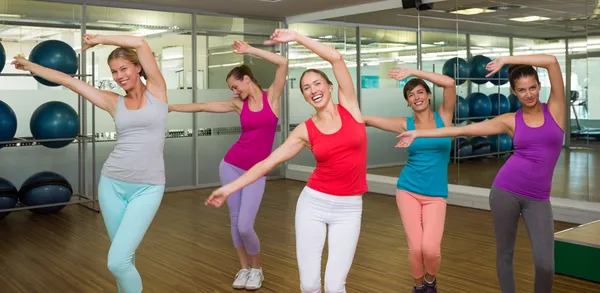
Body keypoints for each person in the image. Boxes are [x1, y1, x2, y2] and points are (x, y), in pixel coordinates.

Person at [205, 28, 367, 293]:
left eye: (317, 83)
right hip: (313, 204)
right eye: (306, 87)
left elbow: (336, 58)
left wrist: (298, 37)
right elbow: (266, 163)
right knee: (310, 284)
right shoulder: (305, 130)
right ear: (304, 96)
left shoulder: (350, 108)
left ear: (329, 86)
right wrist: (229, 187)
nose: (313, 89)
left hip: (349, 209)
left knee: (336, 285)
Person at [13, 34, 169, 293]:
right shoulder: (113, 101)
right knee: (124, 259)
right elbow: (67, 80)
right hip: (112, 185)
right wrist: (31, 66)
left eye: (123, 69)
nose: (119, 76)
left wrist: (100, 39)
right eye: (114, 72)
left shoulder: (157, 92)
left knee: (118, 261)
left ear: (138, 67)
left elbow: (140, 43)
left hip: (148, 187)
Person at [396, 54, 564, 293]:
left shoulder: (556, 110)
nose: (529, 94)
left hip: (538, 198)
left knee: (545, 264)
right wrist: (419, 134)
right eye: (522, 90)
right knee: (505, 254)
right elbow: (463, 129)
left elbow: (552, 61)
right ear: (514, 93)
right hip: (505, 191)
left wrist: (507, 59)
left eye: (533, 87)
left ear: (540, 86)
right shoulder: (510, 120)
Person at [168, 40, 287, 290]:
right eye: (232, 88)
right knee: (235, 221)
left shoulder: (272, 98)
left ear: (246, 79)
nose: (234, 91)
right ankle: (244, 269)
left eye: (235, 86)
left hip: (257, 172)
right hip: (231, 165)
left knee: (245, 224)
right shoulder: (237, 104)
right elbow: (202, 106)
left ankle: (257, 269)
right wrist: (170, 107)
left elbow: (282, 62)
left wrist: (250, 51)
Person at [363, 67, 456, 293]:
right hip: (408, 190)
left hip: (436, 195)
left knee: (430, 249)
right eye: (411, 95)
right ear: (407, 102)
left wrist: (414, 72)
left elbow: (450, 84)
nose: (417, 97)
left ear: (428, 94)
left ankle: (430, 282)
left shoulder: (443, 116)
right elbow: (369, 120)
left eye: (420, 92)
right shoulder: (406, 124)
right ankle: (417, 287)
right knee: (415, 248)